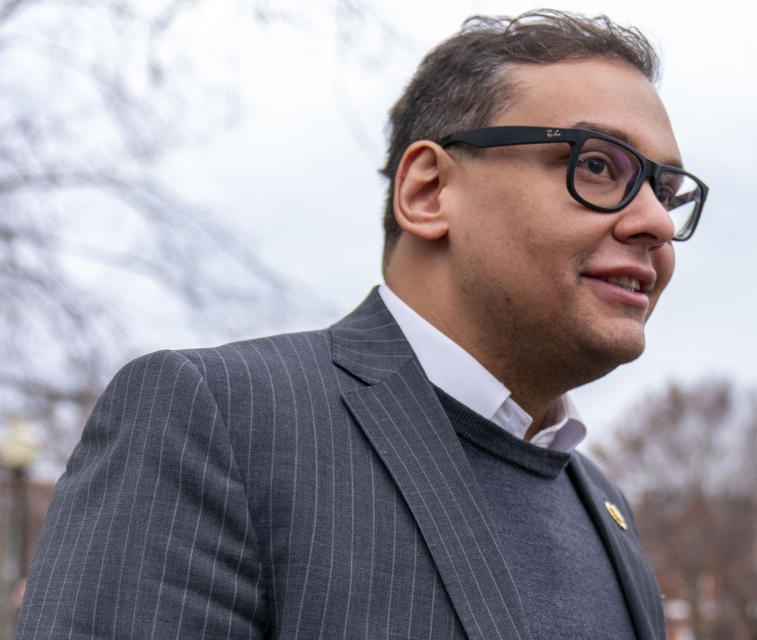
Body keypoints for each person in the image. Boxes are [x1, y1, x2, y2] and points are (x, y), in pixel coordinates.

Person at [17, 9, 707, 639]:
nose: (652, 222)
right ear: (429, 192)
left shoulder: (605, 511)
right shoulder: (218, 422)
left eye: (667, 191)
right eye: (596, 165)